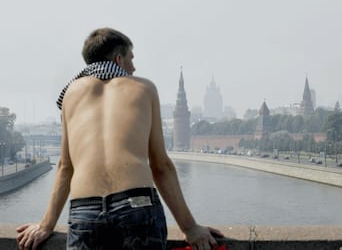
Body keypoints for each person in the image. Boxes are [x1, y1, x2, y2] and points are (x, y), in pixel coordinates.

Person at [16, 27, 222, 249]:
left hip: (85, 211)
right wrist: (190, 228)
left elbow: (65, 167)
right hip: (137, 204)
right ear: (118, 58)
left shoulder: (71, 94)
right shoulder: (144, 88)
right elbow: (160, 165)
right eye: (131, 59)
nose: (134, 67)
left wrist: (46, 225)